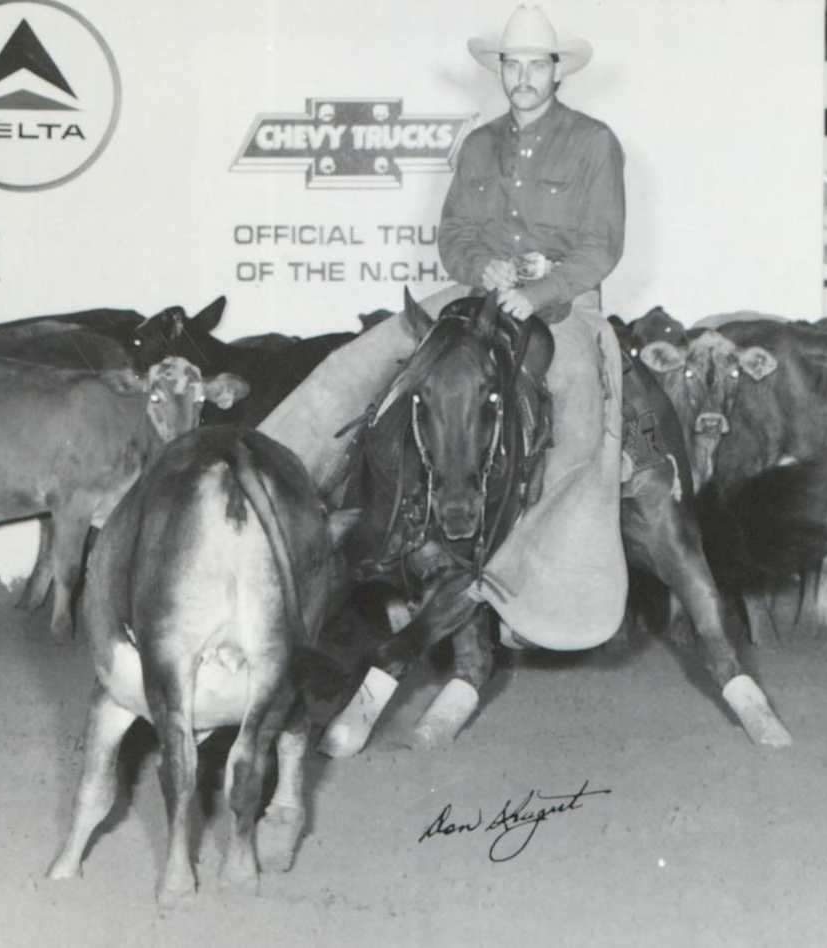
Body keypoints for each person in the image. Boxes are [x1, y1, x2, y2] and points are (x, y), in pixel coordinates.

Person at [260, 4, 627, 743]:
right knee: (360, 361)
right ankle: (265, 487)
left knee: (581, 425)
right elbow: (453, 234)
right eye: (513, 66)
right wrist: (477, 267)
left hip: (563, 307)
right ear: (502, 70)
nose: (523, 79)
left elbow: (602, 246)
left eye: (536, 66)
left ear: (557, 71)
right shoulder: (480, 144)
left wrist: (543, 289)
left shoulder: (594, 143)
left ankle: (524, 579)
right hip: (478, 294)